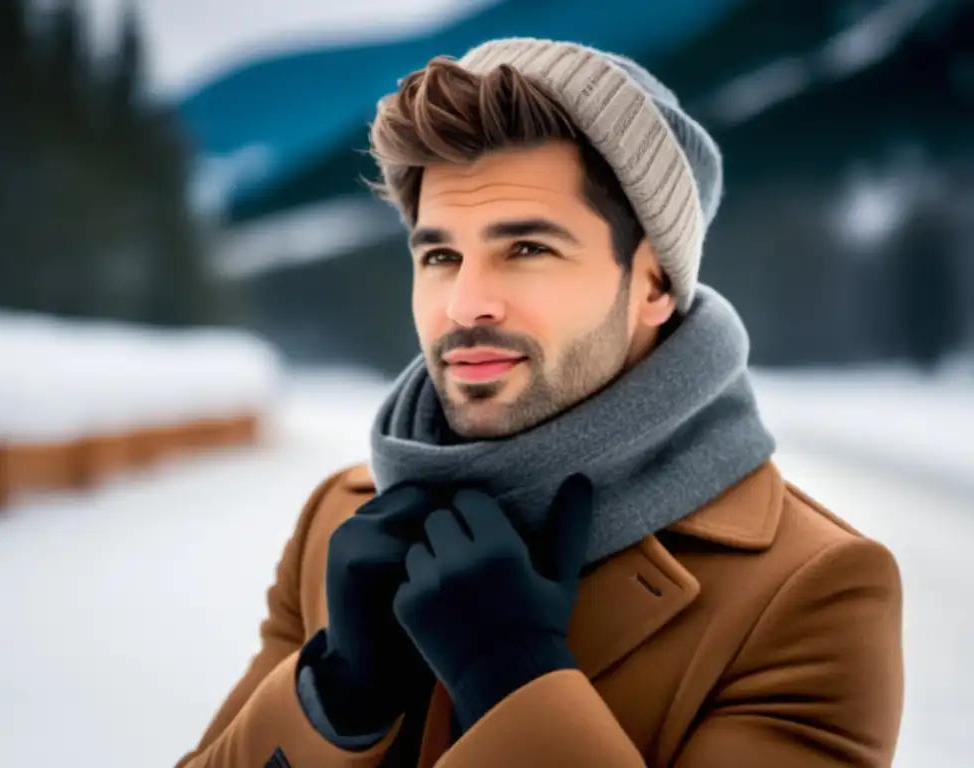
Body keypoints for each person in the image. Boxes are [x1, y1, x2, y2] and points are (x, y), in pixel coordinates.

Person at [176, 38, 904, 768]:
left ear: (652, 283)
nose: (466, 304)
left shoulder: (812, 595)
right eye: (438, 256)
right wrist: (334, 701)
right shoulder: (340, 521)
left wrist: (512, 677)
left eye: (525, 248)